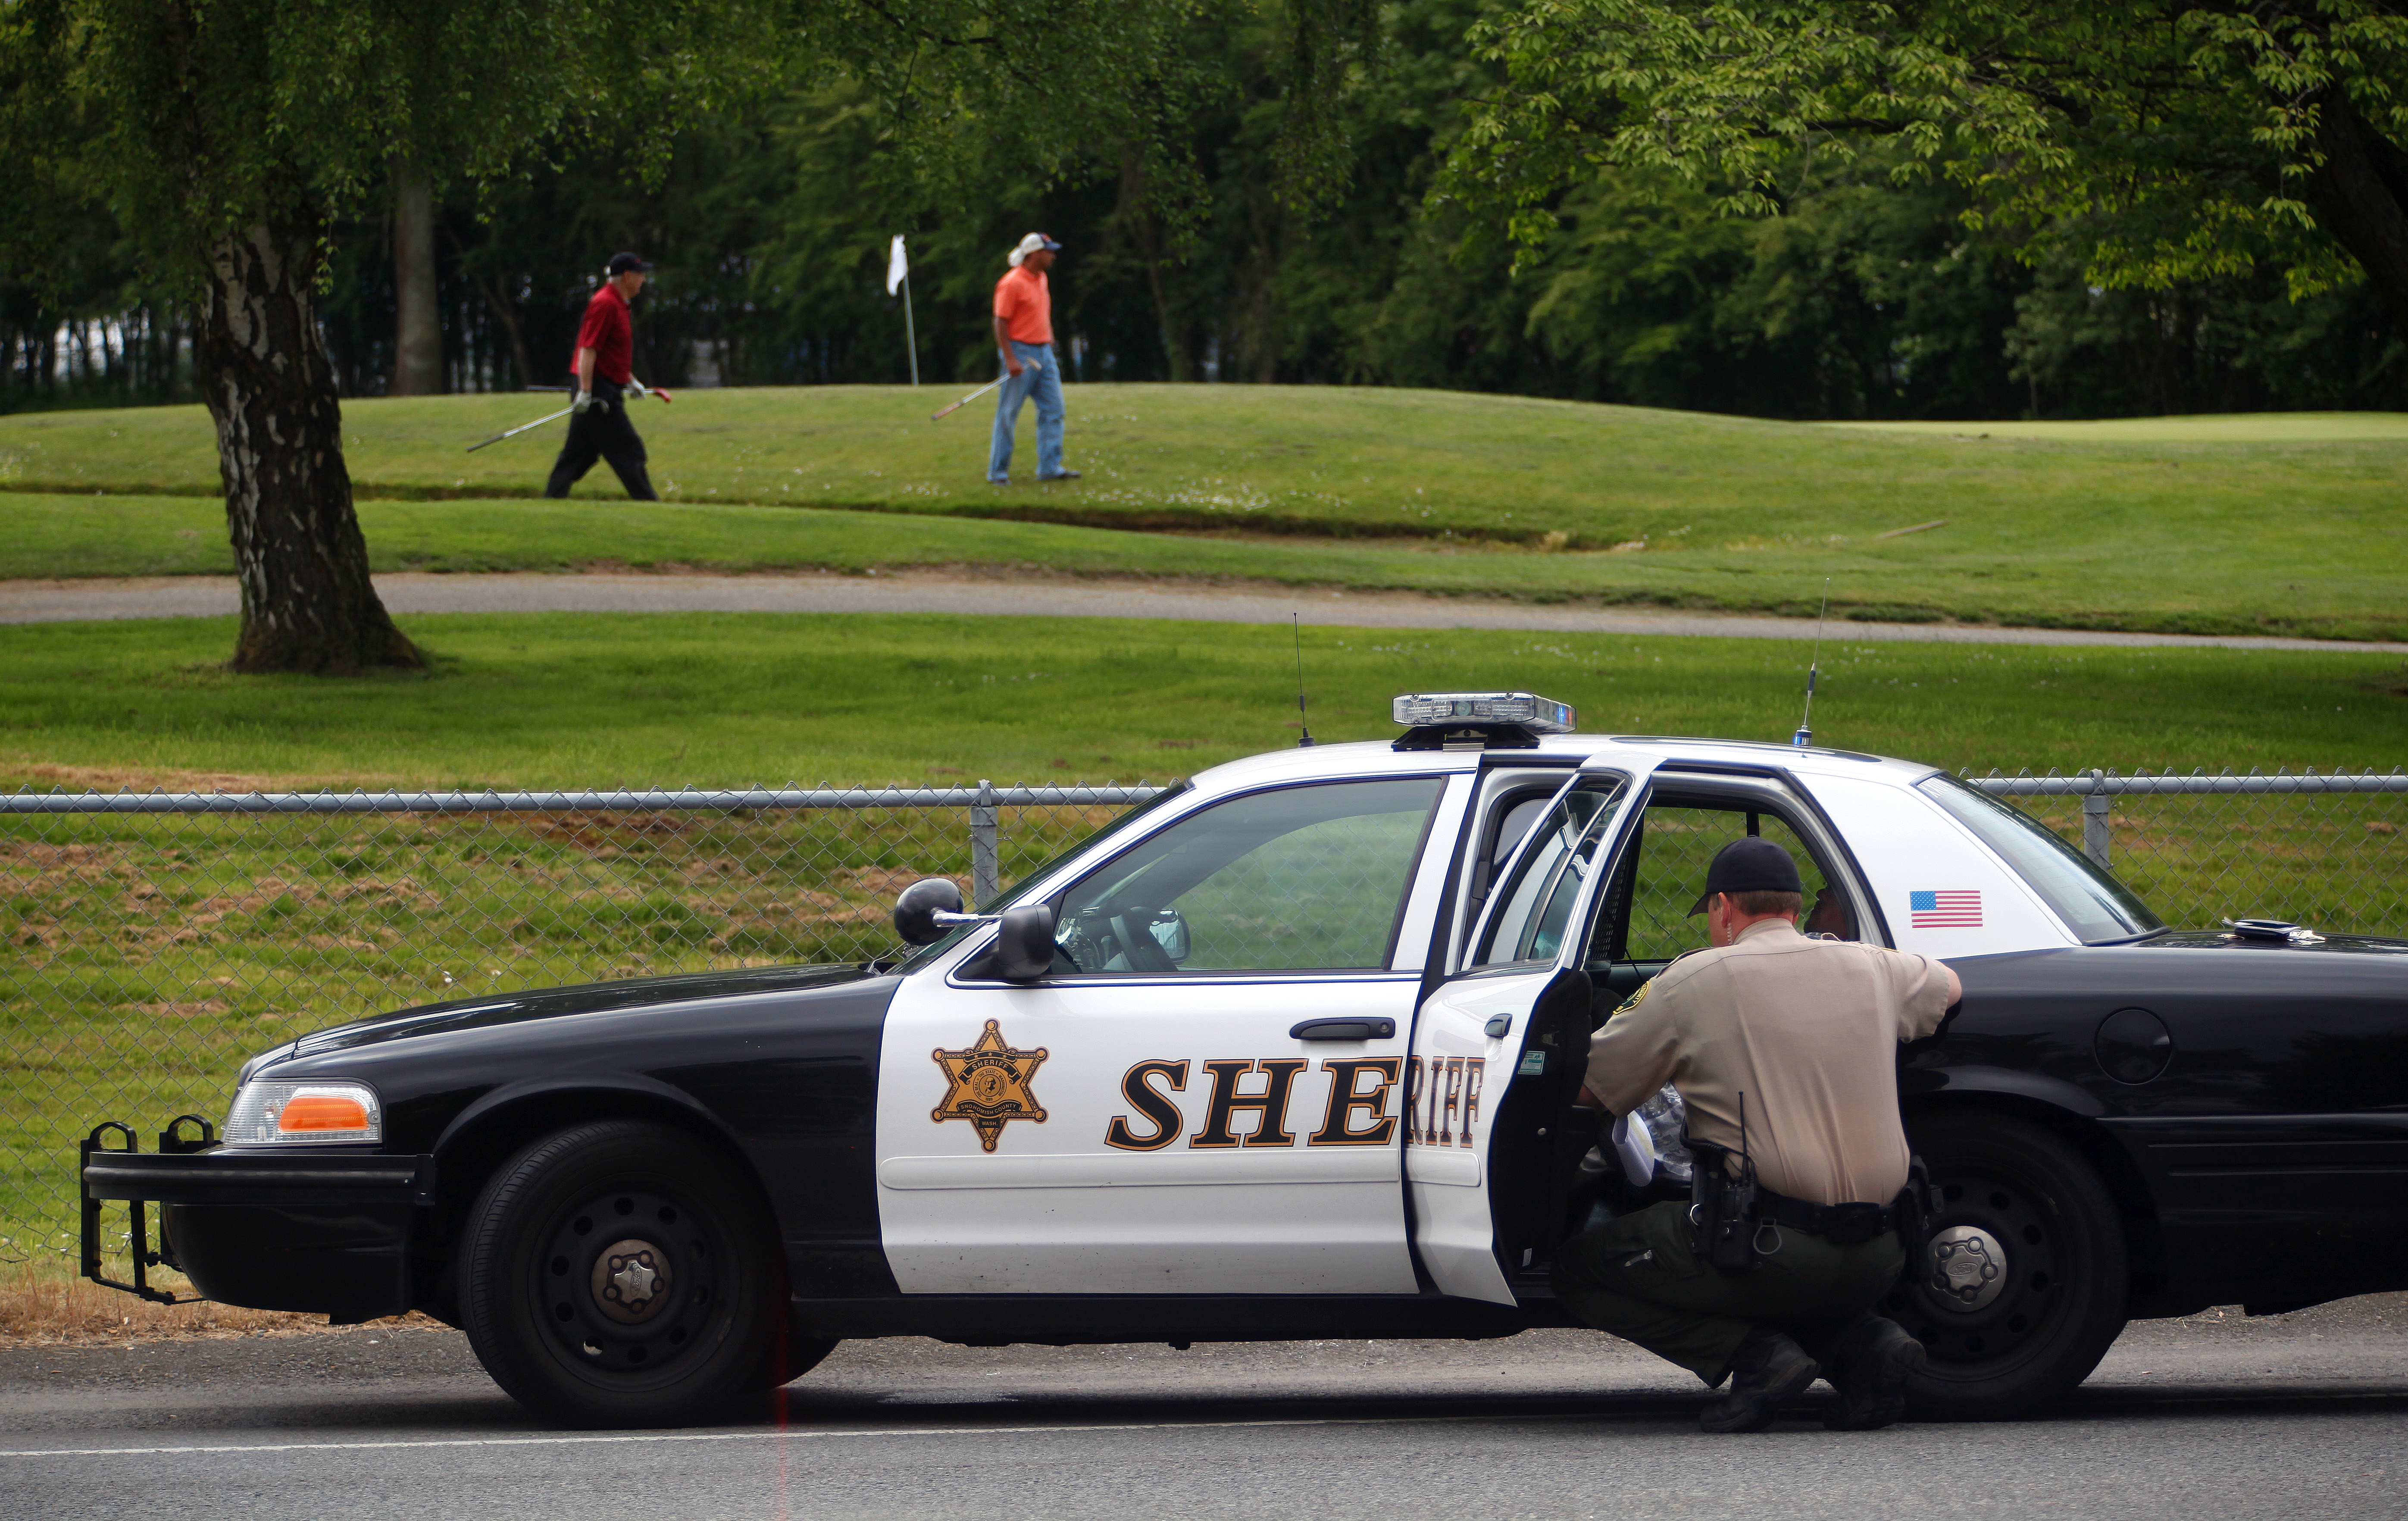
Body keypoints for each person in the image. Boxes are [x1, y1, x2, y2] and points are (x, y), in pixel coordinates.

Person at [1557, 837, 1961, 1433]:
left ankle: (1755, 1358)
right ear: (1793, 907)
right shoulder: (1876, 966)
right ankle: (1865, 1346)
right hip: (1885, 1252)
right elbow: (1949, 987)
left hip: (1765, 1250)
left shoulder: (1691, 980)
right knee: (1789, 1275)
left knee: (1576, 1272)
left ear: (1724, 908)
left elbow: (1590, 1089)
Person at [545, 252, 672, 501]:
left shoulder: (619, 304)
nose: (644, 280)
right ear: (627, 277)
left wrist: (630, 380)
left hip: (604, 386)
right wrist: (586, 390)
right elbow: (588, 349)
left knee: (579, 454)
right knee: (629, 450)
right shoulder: (604, 304)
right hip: (598, 392)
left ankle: (553, 498)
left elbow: (611, 353)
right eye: (640, 275)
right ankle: (649, 503)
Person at [988, 232, 1077, 485]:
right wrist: (1010, 359)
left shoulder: (1042, 278)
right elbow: (1000, 322)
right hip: (1020, 353)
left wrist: (1048, 336)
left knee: (1054, 410)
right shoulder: (1011, 283)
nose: (1053, 256)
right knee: (1008, 414)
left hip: (1044, 353)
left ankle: (1050, 468)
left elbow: (1038, 312)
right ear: (1035, 254)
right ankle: (998, 473)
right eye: (1049, 252)